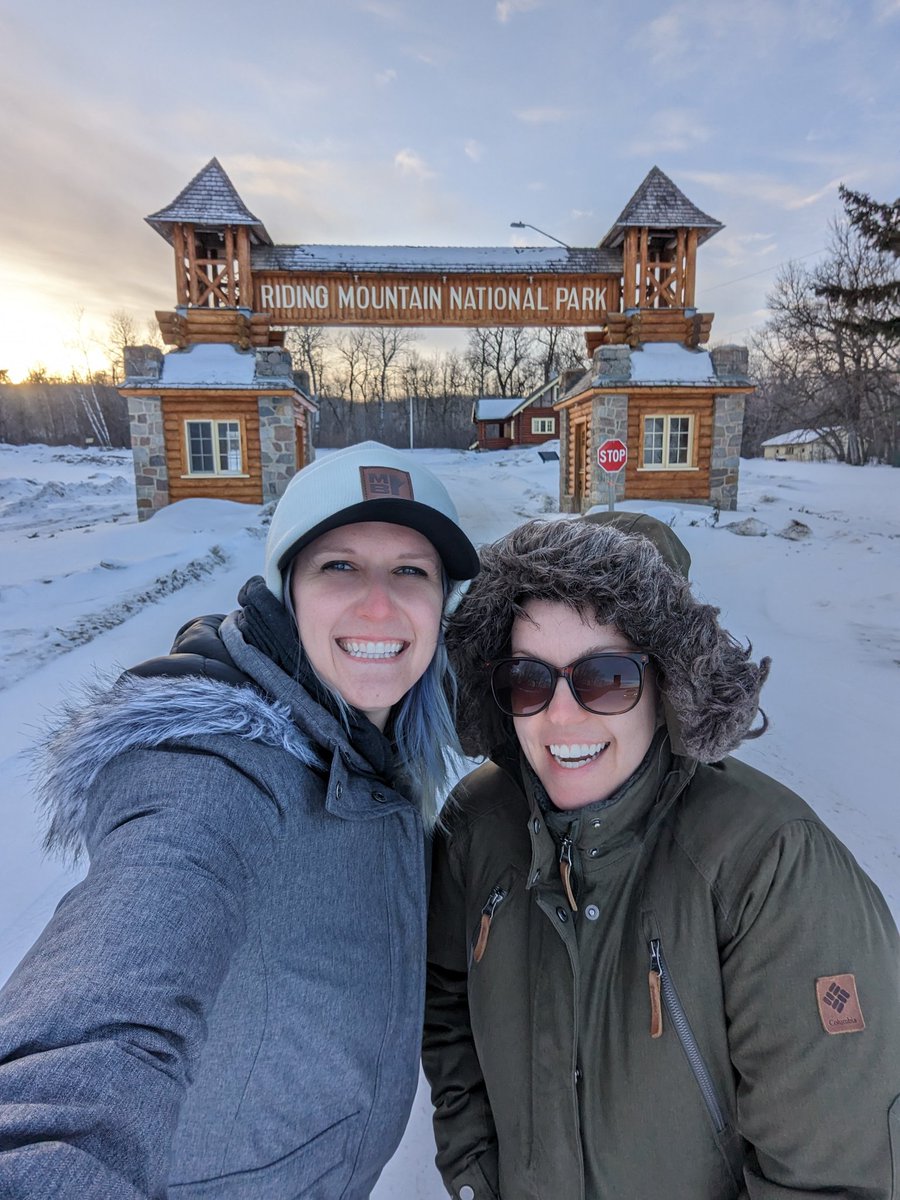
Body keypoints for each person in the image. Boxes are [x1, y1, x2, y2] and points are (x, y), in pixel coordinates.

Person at [0, 441, 479, 1199]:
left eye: (411, 571)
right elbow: (96, 1025)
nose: (379, 605)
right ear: (287, 591)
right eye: (340, 566)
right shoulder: (212, 773)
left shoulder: (377, 742)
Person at [423, 512, 900, 1200]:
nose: (561, 715)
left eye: (606, 677)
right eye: (528, 678)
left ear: (669, 683)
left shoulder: (769, 866)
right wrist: (475, 1171)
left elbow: (831, 1177)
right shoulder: (476, 827)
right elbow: (445, 1004)